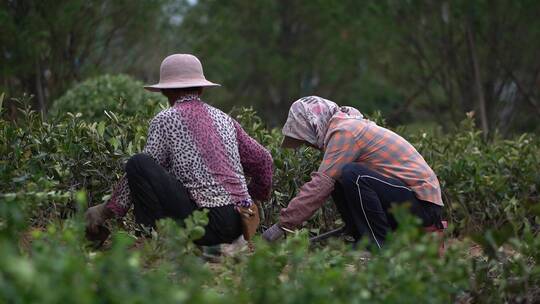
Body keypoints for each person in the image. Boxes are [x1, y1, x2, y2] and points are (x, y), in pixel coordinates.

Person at [85, 54, 273, 246]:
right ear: (200, 89)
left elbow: (145, 169)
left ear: (167, 92)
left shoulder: (166, 119)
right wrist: (249, 198)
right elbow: (264, 160)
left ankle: (149, 239)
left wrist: (106, 210)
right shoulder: (225, 119)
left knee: (138, 164)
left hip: (206, 225)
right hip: (238, 225)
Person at [262, 96, 443, 249]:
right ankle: (362, 238)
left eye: (306, 139)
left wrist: (282, 225)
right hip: (405, 201)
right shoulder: (346, 128)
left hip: (424, 207)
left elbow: (320, 185)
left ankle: (377, 246)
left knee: (352, 174)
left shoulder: (346, 132)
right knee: (340, 177)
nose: (309, 145)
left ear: (314, 124)